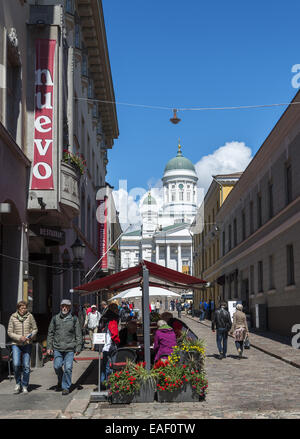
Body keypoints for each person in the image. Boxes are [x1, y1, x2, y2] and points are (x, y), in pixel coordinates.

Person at [46, 299, 83, 395]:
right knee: (57, 366)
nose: (64, 308)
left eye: (66, 306)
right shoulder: (55, 318)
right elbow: (50, 333)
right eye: (63, 306)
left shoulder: (74, 319)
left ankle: (66, 387)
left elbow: (78, 334)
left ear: (70, 307)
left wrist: (78, 347)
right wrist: (49, 347)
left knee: (68, 368)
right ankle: (61, 379)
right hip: (57, 348)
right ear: (60, 307)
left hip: (70, 348)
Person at [7, 301, 38, 394]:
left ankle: (25, 385)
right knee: (16, 364)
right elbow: (9, 332)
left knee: (26, 366)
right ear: (18, 308)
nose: (23, 310)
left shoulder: (30, 316)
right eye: (22, 308)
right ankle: (17, 383)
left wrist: (30, 336)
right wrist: (19, 337)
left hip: (27, 344)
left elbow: (35, 329)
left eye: (25, 308)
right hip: (16, 344)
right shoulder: (13, 317)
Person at [99, 303, 120, 385]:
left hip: (104, 343)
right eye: (116, 308)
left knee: (105, 363)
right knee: (110, 364)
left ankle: (102, 381)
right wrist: (117, 341)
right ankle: (109, 383)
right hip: (110, 344)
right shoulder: (113, 319)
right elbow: (114, 333)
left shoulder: (104, 316)